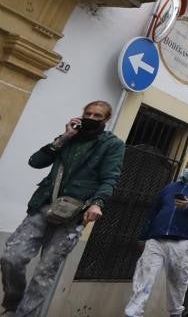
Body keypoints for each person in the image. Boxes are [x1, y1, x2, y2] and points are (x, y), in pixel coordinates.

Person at [1, 101, 125, 317]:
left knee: (44, 271)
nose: (92, 118)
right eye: (88, 113)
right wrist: (64, 138)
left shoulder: (112, 144)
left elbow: (110, 178)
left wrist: (98, 203)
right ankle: (13, 302)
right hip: (44, 205)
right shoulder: (69, 138)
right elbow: (35, 162)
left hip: (73, 215)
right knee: (11, 257)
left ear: (106, 120)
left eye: (98, 116)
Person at [124, 156, 188, 316]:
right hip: (156, 239)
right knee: (144, 277)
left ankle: (176, 313)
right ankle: (132, 313)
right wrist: (144, 236)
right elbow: (153, 213)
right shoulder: (169, 188)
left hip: (183, 241)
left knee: (177, 282)